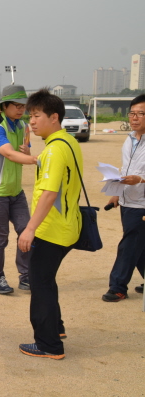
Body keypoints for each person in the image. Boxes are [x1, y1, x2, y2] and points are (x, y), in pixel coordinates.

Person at [17, 89, 83, 360]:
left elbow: (49, 193)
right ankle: (56, 328)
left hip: (51, 231)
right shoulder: (67, 142)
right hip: (67, 226)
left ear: (54, 117)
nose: (31, 122)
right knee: (47, 280)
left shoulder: (55, 150)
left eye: (36, 115)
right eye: (30, 116)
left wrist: (30, 228)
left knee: (40, 284)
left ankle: (49, 344)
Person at [0, 84, 37, 294]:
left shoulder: (21, 126)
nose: (21, 109)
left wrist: (28, 150)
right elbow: (10, 154)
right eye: (16, 105)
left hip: (15, 191)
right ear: (4, 106)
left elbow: (21, 150)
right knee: (0, 238)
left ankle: (26, 275)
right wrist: (36, 160)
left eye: (23, 105)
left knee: (27, 231)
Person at [101, 94, 145, 302]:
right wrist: (116, 193)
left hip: (142, 204)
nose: (135, 118)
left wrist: (141, 180)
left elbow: (137, 175)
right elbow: (125, 169)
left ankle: (118, 287)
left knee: (129, 244)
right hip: (128, 201)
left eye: (141, 114)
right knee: (138, 244)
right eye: (132, 113)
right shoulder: (129, 140)